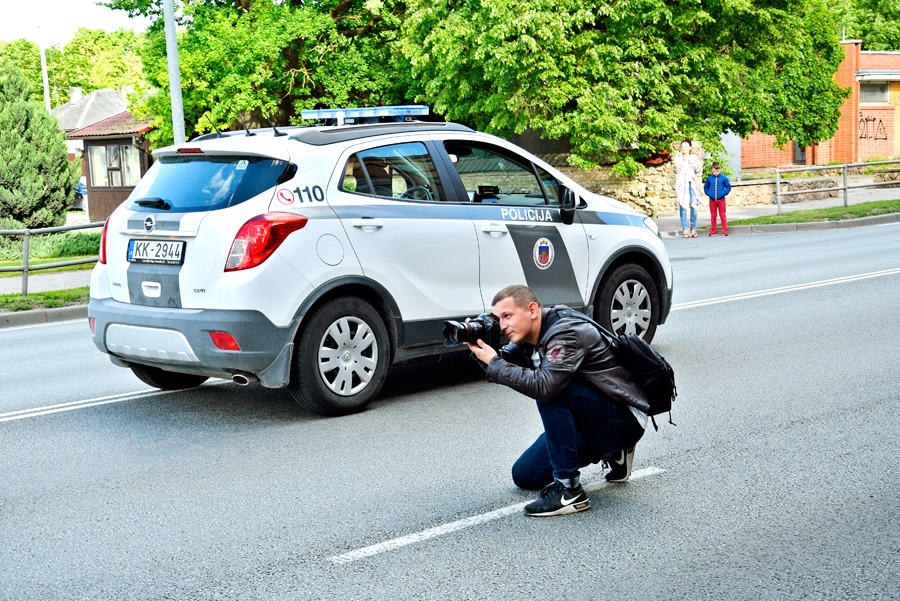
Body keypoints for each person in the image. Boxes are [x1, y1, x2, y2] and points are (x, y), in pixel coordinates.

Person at [467, 285, 648, 517]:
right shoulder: (527, 335)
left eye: (507, 316)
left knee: (549, 389)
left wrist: (495, 363)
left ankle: (569, 491)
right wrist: (479, 348)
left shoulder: (565, 333)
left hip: (623, 419)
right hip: (591, 423)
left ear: (532, 310)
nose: (502, 325)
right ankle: (612, 452)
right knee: (525, 475)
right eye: (497, 319)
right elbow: (504, 364)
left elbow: (545, 387)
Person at [674, 140, 703, 238]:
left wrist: (694, 163)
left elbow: (699, 170)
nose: (684, 148)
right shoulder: (678, 158)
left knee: (694, 206)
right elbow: (681, 166)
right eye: (682, 146)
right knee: (683, 206)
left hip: (692, 184)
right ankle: (685, 229)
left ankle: (693, 228)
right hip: (682, 185)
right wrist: (688, 162)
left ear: (690, 148)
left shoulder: (694, 158)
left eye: (686, 146)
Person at [703, 161, 732, 236]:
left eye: (717, 171)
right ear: (712, 170)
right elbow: (706, 187)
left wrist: (724, 193)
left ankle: (724, 230)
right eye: (714, 171)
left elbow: (728, 187)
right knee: (713, 215)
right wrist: (708, 193)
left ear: (720, 170)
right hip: (712, 200)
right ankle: (713, 230)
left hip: (721, 200)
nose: (715, 173)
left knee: (722, 215)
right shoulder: (709, 179)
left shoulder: (724, 178)